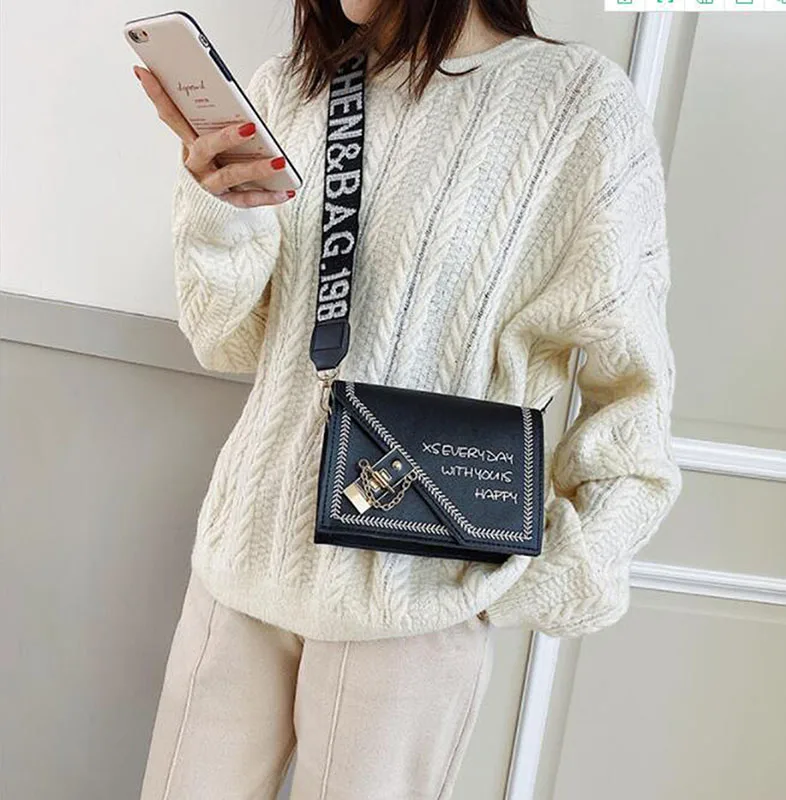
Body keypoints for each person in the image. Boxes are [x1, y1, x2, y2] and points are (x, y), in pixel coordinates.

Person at [133, 0, 683, 797]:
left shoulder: (578, 106)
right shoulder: (292, 87)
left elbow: (633, 395)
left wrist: (547, 569)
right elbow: (230, 342)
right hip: (241, 568)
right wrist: (222, 213)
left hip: (412, 603)